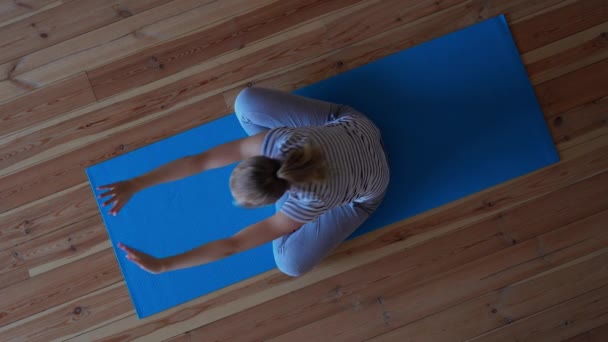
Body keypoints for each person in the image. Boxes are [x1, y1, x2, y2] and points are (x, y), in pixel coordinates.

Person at [98, 87, 389, 277]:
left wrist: (165, 265)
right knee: (245, 103)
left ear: (280, 199)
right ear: (258, 159)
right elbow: (200, 161)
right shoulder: (283, 141)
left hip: (371, 189)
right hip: (359, 126)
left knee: (289, 263)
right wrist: (135, 184)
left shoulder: (307, 204)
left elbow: (233, 245)